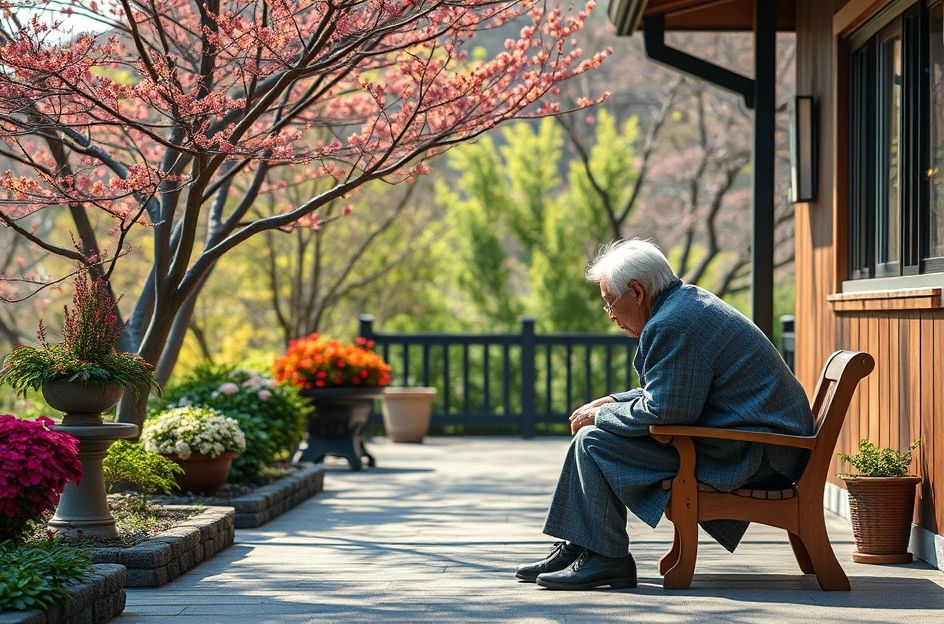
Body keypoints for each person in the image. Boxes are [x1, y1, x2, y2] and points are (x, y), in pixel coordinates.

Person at [516, 239, 813, 591]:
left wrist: (603, 416)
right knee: (594, 437)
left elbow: (667, 410)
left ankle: (605, 558)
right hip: (761, 445)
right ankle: (585, 546)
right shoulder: (686, 305)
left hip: (754, 455)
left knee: (594, 441)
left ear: (637, 291)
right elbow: (673, 388)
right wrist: (611, 400)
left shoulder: (673, 324)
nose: (610, 315)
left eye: (609, 302)